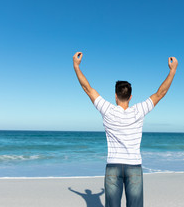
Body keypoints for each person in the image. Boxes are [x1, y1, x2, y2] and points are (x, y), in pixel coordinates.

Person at [73, 51, 178, 207]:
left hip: (113, 167)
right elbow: (160, 93)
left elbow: (87, 88)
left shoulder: (107, 110)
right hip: (134, 166)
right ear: (130, 97)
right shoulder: (139, 110)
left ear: (115, 96)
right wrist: (172, 70)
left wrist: (76, 66)